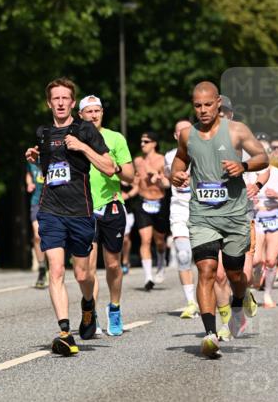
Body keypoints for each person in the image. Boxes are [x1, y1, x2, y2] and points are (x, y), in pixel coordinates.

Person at [170, 82, 268, 357]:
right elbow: (180, 161)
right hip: (202, 214)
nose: (203, 110)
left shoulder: (236, 131)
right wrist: (175, 175)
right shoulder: (187, 135)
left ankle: (241, 297)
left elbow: (263, 157)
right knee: (207, 270)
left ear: (217, 104)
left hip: (235, 215)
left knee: (236, 274)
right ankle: (210, 333)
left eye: (208, 105)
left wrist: (244, 166)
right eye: (197, 106)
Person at [25, 78, 114, 355]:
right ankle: (64, 332)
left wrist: (83, 147)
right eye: (56, 99)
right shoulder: (43, 133)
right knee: (57, 269)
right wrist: (34, 157)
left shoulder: (85, 130)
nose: (61, 103)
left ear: (72, 103)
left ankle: (88, 304)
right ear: (49, 103)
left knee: (83, 273)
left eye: (65, 98)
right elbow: (50, 164)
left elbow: (109, 167)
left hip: (80, 210)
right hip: (50, 210)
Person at [78, 95, 134, 335]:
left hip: (111, 206)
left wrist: (115, 167)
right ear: (80, 115)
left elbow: (130, 176)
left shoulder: (115, 138)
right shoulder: (74, 139)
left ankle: (115, 308)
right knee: (86, 270)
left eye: (97, 110)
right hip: (82, 208)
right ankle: (91, 313)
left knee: (112, 264)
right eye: (89, 111)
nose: (93, 115)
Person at [164, 120, 199, 318]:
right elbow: (166, 177)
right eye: (180, 131)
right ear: (176, 135)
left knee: (206, 260)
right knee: (184, 255)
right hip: (179, 209)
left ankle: (208, 297)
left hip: (202, 209)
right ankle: (191, 302)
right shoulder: (169, 156)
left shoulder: (203, 151)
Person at [251, 159, 278, 308]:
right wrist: (249, 200)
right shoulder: (248, 172)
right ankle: (256, 277)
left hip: (275, 218)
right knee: (255, 260)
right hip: (256, 218)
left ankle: (267, 294)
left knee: (270, 260)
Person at [129, 131, 169, 290]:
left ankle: (160, 260)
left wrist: (158, 178)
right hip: (142, 202)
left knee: (159, 241)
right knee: (145, 240)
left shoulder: (163, 159)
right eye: (141, 141)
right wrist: (129, 192)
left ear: (154, 143)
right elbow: (135, 182)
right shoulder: (138, 161)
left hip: (159, 201)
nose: (142, 144)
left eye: (146, 141)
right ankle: (148, 277)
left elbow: (167, 183)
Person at [25, 161, 47, 288]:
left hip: (52, 202)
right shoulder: (31, 160)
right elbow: (28, 173)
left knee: (51, 237)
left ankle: (54, 267)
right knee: (38, 235)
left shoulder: (52, 155)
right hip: (36, 202)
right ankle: (42, 268)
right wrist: (29, 183)